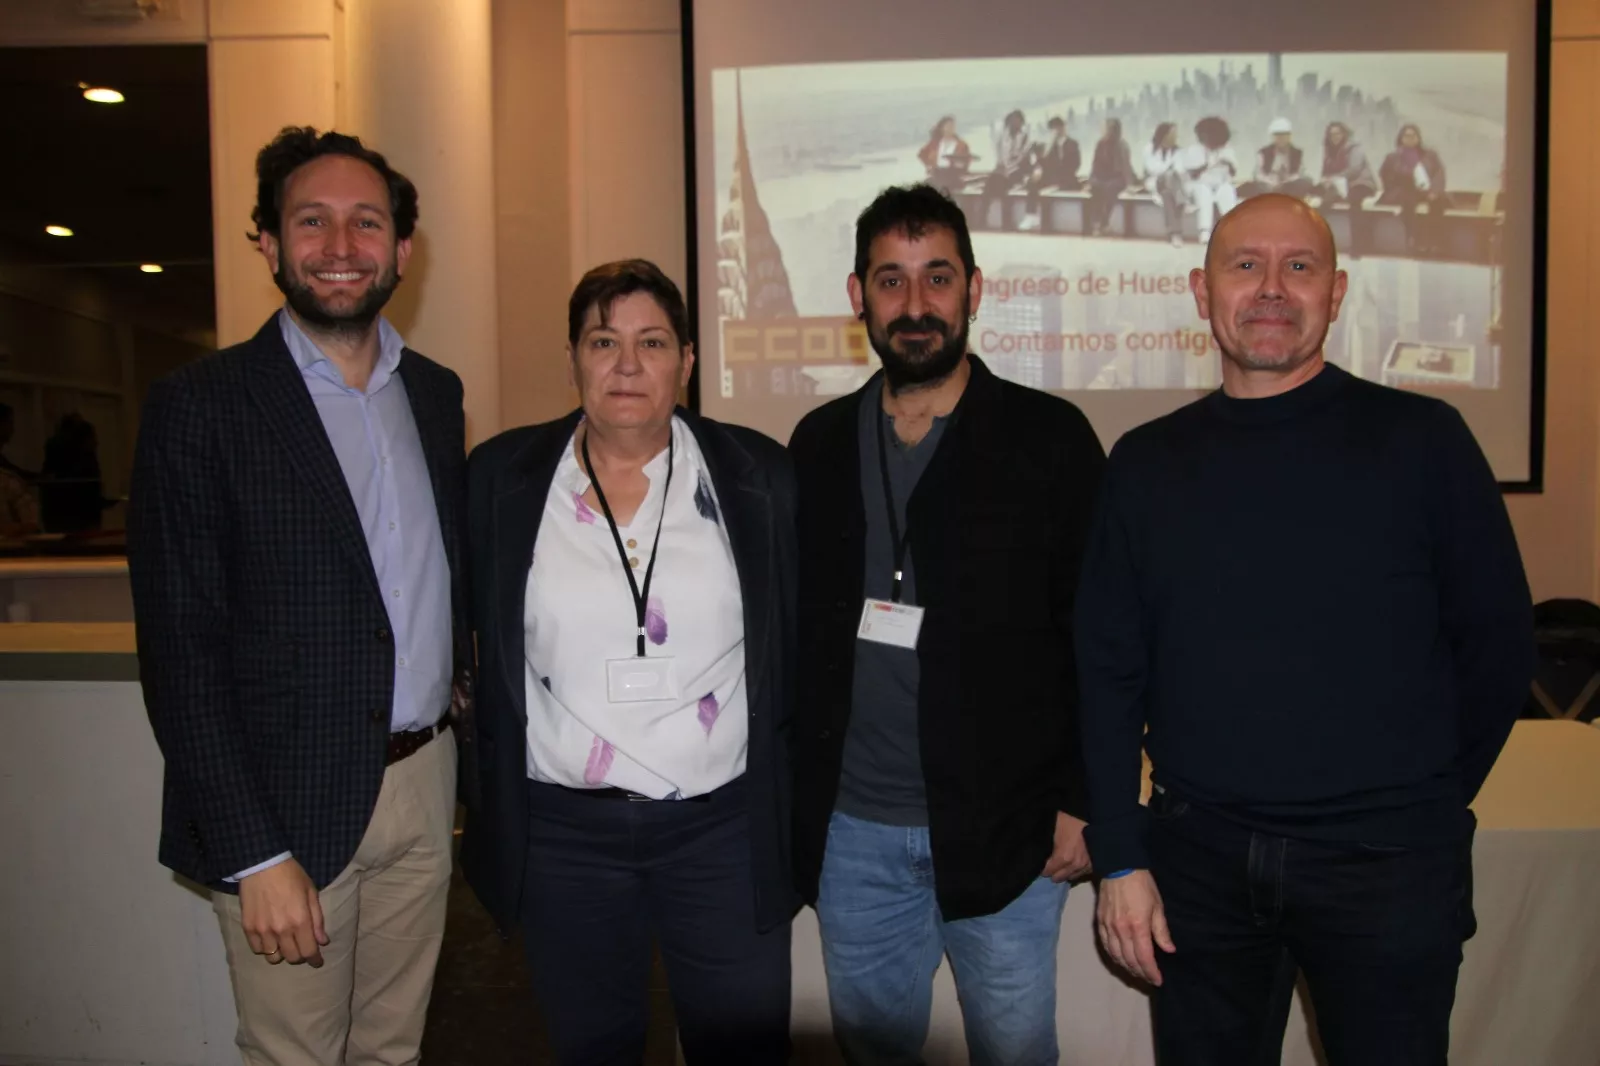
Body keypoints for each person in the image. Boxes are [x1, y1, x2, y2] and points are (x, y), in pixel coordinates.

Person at [1075, 193, 1533, 1066]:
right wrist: (1122, 859)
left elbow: (1501, 649)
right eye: (1245, 265)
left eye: (1300, 266)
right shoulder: (1145, 463)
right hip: (1198, 866)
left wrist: (1420, 802)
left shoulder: (1425, 442)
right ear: (1202, 293)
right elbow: (1106, 673)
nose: (1272, 288)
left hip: (1387, 869)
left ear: (1339, 289)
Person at [127, 126, 470, 1066]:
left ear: (403, 250)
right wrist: (252, 854)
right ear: (269, 245)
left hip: (424, 785)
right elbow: (180, 655)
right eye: (310, 221)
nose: (341, 245)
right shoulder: (200, 406)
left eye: (367, 222)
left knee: (392, 1051)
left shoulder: (436, 396)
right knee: (296, 1057)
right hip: (286, 811)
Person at [790, 183, 1105, 1066]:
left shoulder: (1052, 441)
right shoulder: (814, 447)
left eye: (937, 278)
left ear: (975, 287)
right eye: (892, 281)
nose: (916, 305)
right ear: (858, 296)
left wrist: (1087, 798)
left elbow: (1100, 638)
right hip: (854, 837)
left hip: (1007, 834)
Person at [460, 259, 797, 1065]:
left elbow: (794, 641)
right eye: (603, 340)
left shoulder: (759, 475)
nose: (626, 364)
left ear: (686, 359)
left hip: (720, 831)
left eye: (652, 342)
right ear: (573, 355)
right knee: (591, 1049)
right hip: (565, 834)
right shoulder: (500, 479)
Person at [1379, 123, 1450, 254]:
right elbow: (1386, 175)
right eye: (1406, 136)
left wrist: (1434, 191)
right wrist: (1407, 173)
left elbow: (1439, 174)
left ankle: (1436, 242)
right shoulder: (1393, 157)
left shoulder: (1430, 155)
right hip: (1403, 191)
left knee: (1437, 202)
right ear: (1401, 138)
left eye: (1413, 135)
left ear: (1418, 138)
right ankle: (1415, 239)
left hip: (1428, 191)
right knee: (1408, 200)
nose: (1410, 138)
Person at [1316, 121, 1378, 256]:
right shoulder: (1329, 151)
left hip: (1361, 183)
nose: (1335, 137)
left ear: (1344, 133)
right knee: (1323, 201)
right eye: (1331, 134)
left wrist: (1333, 178)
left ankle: (1358, 245)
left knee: (1355, 201)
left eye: (1337, 133)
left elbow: (1355, 169)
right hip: (1340, 186)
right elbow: (1325, 171)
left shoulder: (1355, 148)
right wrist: (1326, 181)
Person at [982, 109, 1043, 231]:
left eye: (1019, 121)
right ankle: (981, 219)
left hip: (1017, 170)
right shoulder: (1001, 136)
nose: (1016, 124)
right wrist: (1001, 166)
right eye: (1013, 121)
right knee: (988, 187)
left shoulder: (1025, 137)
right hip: (1002, 169)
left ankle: (1007, 223)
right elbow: (998, 152)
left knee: (1005, 189)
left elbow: (1023, 156)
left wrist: (1012, 166)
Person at [1183, 115, 1240, 245]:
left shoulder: (1227, 149)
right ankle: (1205, 232)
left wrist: (1229, 163)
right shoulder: (1195, 149)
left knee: (1227, 192)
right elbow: (1192, 174)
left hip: (1221, 183)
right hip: (1200, 184)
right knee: (1204, 194)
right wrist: (1207, 164)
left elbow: (1233, 172)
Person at [1241, 117, 1315, 200]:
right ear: (1273, 137)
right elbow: (1258, 174)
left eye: (1284, 135)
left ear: (1289, 136)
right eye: (1278, 135)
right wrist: (1270, 183)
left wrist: (1286, 182)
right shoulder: (1263, 153)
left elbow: (1301, 173)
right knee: (1250, 186)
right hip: (1268, 186)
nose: (1281, 138)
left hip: (1288, 186)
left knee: (1307, 181)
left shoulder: (1297, 153)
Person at [1086, 117, 1136, 237]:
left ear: (1113, 131)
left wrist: (1130, 185)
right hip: (1102, 177)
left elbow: (1126, 167)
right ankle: (1095, 222)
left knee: (1110, 188)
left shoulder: (1122, 145)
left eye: (1105, 129)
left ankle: (1104, 222)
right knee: (1095, 187)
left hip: (1117, 177)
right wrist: (1090, 181)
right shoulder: (1100, 144)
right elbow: (1095, 164)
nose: (1102, 131)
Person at [1145, 121, 1188, 248]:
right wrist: (1169, 167)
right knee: (1170, 177)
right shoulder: (1150, 148)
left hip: (1170, 187)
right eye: (1172, 133)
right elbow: (1152, 168)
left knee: (1167, 194)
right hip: (1155, 181)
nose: (1175, 137)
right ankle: (1181, 200)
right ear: (1164, 135)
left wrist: (1171, 170)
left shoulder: (1178, 151)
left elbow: (1181, 170)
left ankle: (1175, 234)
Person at [918, 115, 974, 196]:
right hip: (936, 174)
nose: (951, 128)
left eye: (953, 126)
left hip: (952, 175)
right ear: (942, 128)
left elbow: (966, 162)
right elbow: (922, 154)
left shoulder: (961, 144)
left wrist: (961, 164)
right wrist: (929, 165)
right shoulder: (935, 143)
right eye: (948, 126)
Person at [1039, 116, 1082, 191]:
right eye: (1052, 129)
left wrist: (1062, 176)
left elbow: (1076, 164)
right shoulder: (1049, 146)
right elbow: (1044, 165)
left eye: (1057, 127)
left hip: (1068, 181)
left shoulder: (1073, 144)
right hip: (1051, 182)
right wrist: (1049, 147)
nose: (1056, 131)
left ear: (1062, 128)